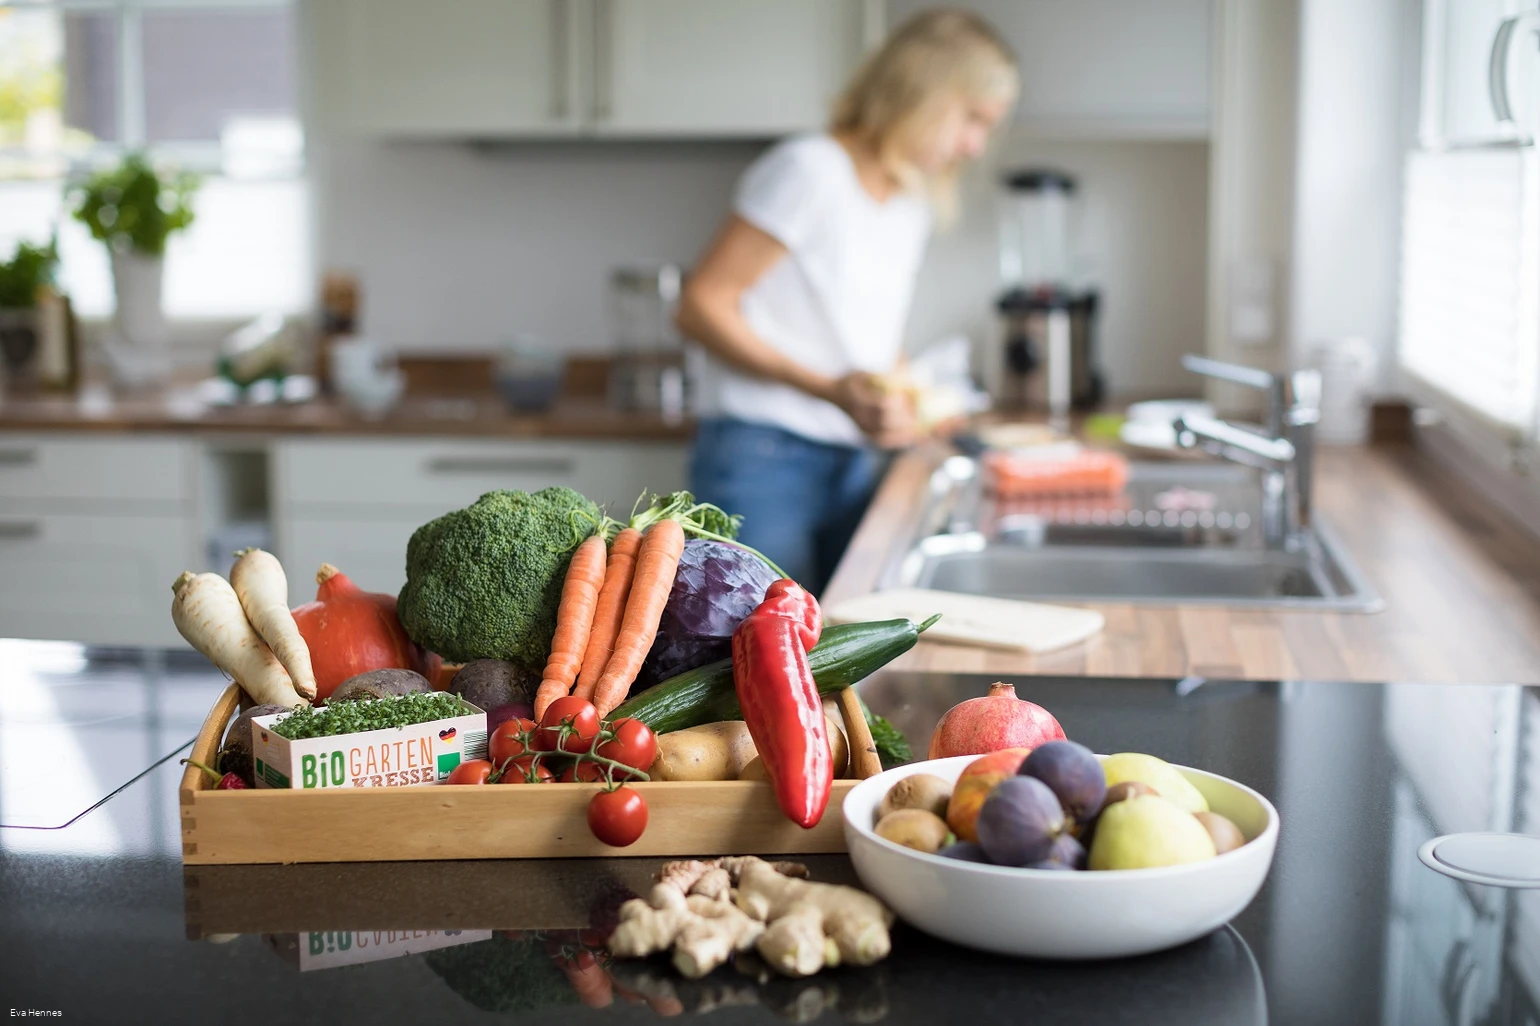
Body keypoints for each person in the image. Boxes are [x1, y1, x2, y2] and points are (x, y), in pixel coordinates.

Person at [676, 8, 1017, 594]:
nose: (974, 145)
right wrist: (830, 390)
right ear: (922, 93)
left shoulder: (910, 201)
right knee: (743, 640)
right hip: (761, 459)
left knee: (836, 638)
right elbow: (701, 305)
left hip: (850, 459)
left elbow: (866, 335)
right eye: (972, 118)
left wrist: (912, 404)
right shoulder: (810, 170)